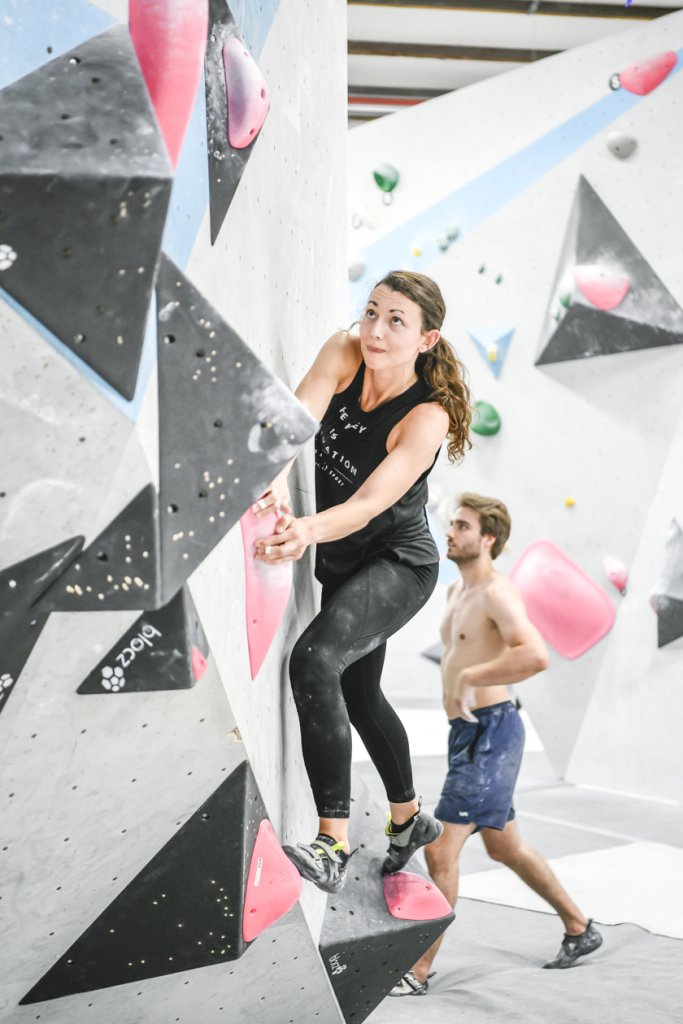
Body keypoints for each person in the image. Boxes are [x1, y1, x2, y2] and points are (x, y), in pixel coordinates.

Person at [250, 271, 472, 894]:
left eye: (396, 320)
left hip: (398, 564)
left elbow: (373, 502)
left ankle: (331, 843)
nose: (375, 329)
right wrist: (272, 474)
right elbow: (295, 422)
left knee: (316, 659)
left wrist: (304, 528)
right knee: (361, 693)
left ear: (427, 339)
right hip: (345, 563)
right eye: (372, 311)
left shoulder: (425, 418)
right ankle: (408, 821)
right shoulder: (344, 353)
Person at [391, 492, 603, 996]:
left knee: (441, 852)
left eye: (462, 526)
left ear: (488, 539)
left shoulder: (497, 594)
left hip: (492, 733)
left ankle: (417, 970)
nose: (450, 532)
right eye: (452, 524)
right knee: (505, 846)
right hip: (468, 734)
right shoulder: (456, 594)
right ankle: (580, 928)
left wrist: (471, 676)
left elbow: (536, 655)